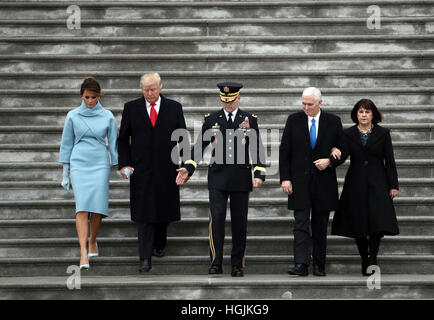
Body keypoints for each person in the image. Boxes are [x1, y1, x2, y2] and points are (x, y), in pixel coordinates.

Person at [176, 82, 266, 277]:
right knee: (216, 221)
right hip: (218, 178)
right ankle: (216, 262)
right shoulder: (212, 119)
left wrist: (259, 174)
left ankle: (237, 264)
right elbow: (199, 147)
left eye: (231, 101)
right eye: (224, 101)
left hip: (241, 178)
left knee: (239, 222)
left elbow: (257, 149)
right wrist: (188, 168)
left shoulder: (249, 119)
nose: (228, 104)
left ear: (238, 98)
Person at [118, 73, 187, 273]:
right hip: (141, 170)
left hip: (168, 168)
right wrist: (124, 164)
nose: (149, 93)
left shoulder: (174, 107)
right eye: (146, 90)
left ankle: (159, 244)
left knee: (163, 211)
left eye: (153, 89)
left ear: (160, 88)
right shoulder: (131, 108)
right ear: (141, 89)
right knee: (144, 215)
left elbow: (182, 137)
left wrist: (187, 165)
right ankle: (144, 259)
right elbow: (123, 139)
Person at [279, 87, 347, 277]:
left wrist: (330, 161)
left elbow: (344, 148)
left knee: (320, 225)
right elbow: (285, 151)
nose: (306, 107)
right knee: (300, 224)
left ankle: (319, 264)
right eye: (303, 104)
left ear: (320, 103)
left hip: (323, 183)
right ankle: (301, 263)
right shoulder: (294, 120)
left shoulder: (333, 121)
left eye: (310, 104)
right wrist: (285, 178)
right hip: (299, 183)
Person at [331, 98, 399, 276]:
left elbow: (390, 161)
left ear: (373, 115)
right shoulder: (348, 134)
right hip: (356, 183)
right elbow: (342, 155)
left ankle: (373, 258)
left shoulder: (383, 134)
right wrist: (333, 152)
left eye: (367, 112)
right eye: (361, 112)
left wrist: (393, 185)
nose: (364, 115)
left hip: (379, 182)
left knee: (377, 222)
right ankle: (364, 257)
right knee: (358, 221)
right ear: (356, 114)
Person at [59, 77, 118, 270]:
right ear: (81, 96)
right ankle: (83, 251)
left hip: (100, 162)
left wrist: (118, 164)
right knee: (82, 208)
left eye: (93, 97)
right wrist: (65, 172)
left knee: (98, 209)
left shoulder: (107, 116)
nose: (90, 100)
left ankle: (93, 240)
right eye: (86, 97)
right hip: (79, 162)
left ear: (99, 96)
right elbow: (66, 144)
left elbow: (114, 142)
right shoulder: (73, 116)